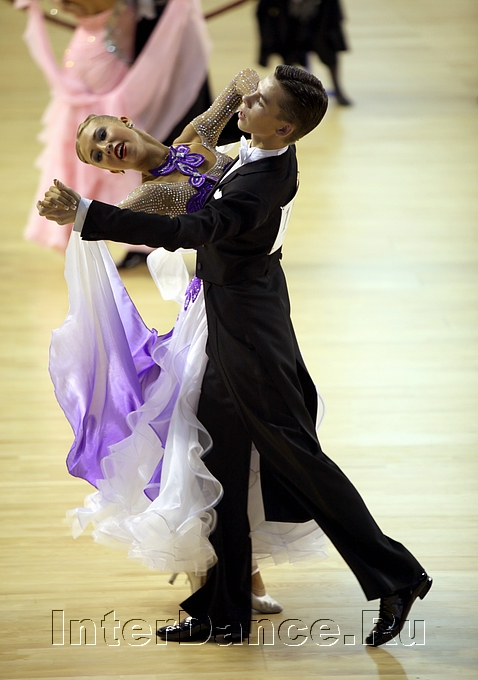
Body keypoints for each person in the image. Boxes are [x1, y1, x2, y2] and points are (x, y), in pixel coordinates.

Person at [38, 64, 431, 646]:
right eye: (97, 153)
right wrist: (246, 92)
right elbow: (232, 100)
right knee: (217, 465)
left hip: (249, 330)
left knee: (297, 458)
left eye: (259, 102)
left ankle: (397, 575)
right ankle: (223, 612)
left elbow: (195, 228)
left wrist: (88, 215)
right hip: (226, 317)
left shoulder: (256, 179)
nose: (245, 105)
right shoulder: (258, 153)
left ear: (283, 128)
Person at [43, 69, 327, 615]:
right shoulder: (147, 195)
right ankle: (220, 577)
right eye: (98, 156)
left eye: (102, 135)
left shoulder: (198, 134)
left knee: (238, 441)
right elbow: (132, 224)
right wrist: (80, 213)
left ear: (123, 121)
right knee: (196, 441)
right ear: (112, 170)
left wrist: (251, 103)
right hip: (208, 311)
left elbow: (242, 80)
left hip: (248, 296)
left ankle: (238, 575)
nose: (105, 148)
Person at [17, 0, 211, 259]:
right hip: (75, 111)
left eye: (68, 2)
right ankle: (94, 239)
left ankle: (141, 245)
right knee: (83, 170)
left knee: (123, 175)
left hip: (105, 101)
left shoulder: (122, 12)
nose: (64, 7)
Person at [256, 0, 352, 105]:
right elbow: (263, 10)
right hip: (291, 24)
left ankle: (337, 88)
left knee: (329, 53)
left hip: (319, 22)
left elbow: (334, 10)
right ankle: (287, 91)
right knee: (288, 57)